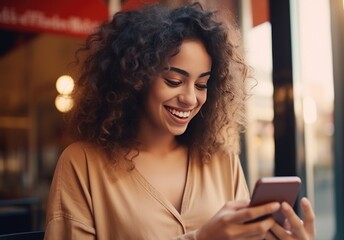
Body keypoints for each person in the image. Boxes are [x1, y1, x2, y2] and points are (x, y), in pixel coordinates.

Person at [44, 2, 315, 239]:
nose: (190, 98)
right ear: (135, 79)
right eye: (174, 81)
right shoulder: (82, 164)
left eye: (202, 84)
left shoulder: (221, 161)